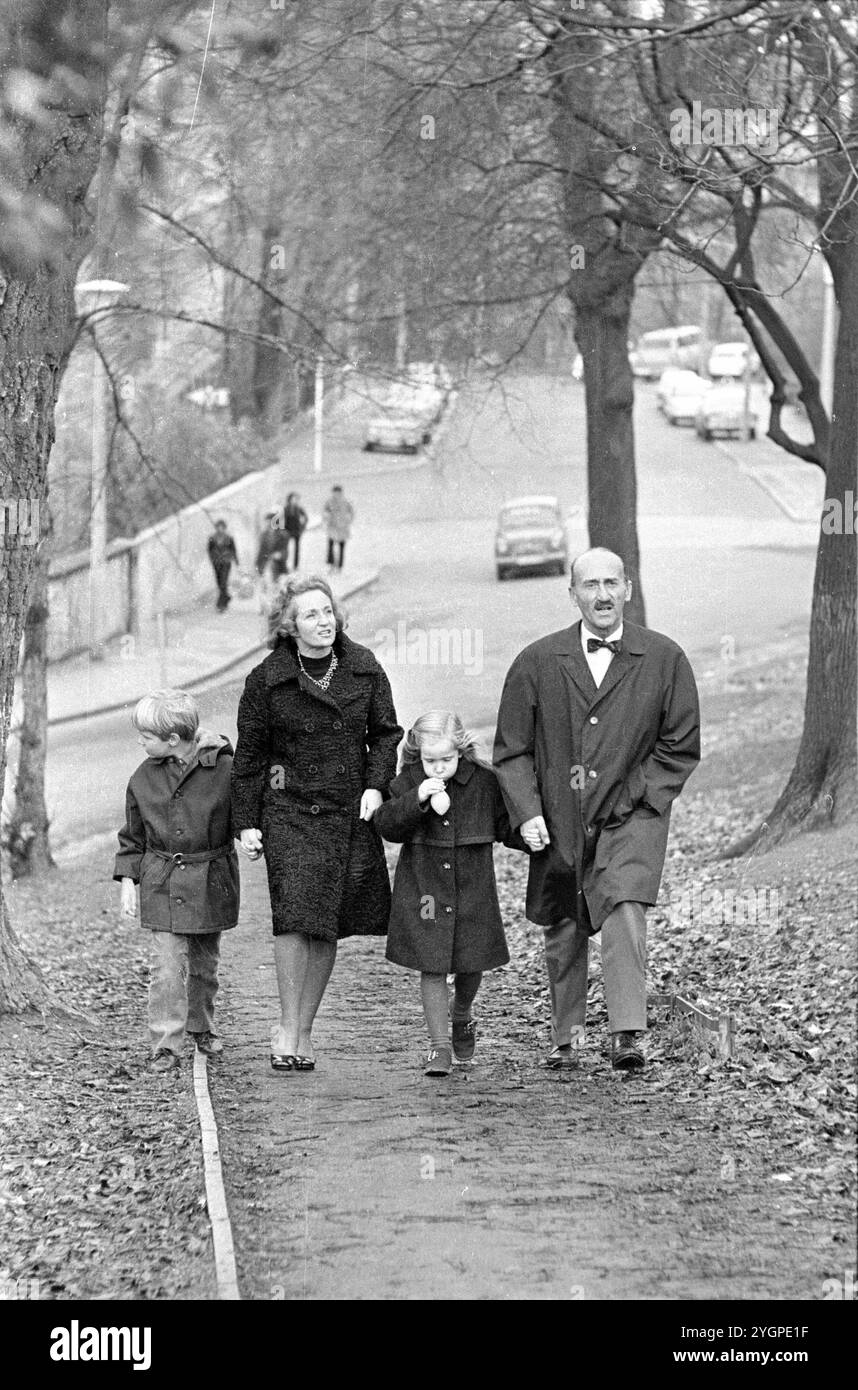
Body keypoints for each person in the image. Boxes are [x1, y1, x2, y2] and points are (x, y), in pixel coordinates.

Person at [493, 547, 700, 1072]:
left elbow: (681, 743)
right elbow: (511, 751)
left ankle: (627, 1034)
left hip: (634, 815)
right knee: (564, 920)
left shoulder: (663, 658)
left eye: (612, 583)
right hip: (559, 817)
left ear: (628, 588)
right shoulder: (537, 662)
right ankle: (568, 1037)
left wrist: (637, 795)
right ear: (573, 594)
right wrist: (527, 811)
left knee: (625, 909)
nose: (602, 595)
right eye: (591, 585)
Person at [231, 574, 402, 1072]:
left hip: (347, 810)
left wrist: (375, 785)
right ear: (289, 626)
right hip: (289, 810)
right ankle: (286, 1025)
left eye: (327, 612)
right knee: (294, 915)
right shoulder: (266, 680)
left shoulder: (363, 668)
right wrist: (246, 823)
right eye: (311, 615)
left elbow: (388, 734)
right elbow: (250, 758)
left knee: (328, 920)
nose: (323, 622)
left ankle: (304, 1029)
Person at [374, 711, 525, 1077]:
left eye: (447, 759)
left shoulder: (485, 782)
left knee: (472, 962)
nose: (438, 768)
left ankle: (462, 1014)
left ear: (461, 750)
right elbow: (387, 825)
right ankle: (439, 1047)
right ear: (417, 755)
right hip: (424, 886)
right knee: (432, 963)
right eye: (430, 761)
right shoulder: (407, 782)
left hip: (473, 884)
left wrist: (533, 836)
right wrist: (417, 799)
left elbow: (507, 826)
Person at [114, 690, 240, 1073]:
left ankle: (202, 1028)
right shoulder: (143, 777)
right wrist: (126, 881)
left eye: (146, 736)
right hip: (162, 881)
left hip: (211, 879)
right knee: (166, 968)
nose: (140, 742)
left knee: (205, 964)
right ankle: (166, 1044)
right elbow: (132, 837)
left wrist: (251, 835)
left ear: (172, 739)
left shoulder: (224, 769)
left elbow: (245, 813)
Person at [207, 519, 239, 612]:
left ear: (224, 528)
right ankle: (226, 597)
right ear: (216, 528)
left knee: (223, 582)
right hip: (216, 562)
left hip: (226, 562)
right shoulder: (212, 538)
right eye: (218, 527)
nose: (220, 529)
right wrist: (213, 559)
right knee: (219, 582)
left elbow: (233, 550)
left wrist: (236, 561)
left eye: (222, 527)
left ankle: (221, 605)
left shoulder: (229, 538)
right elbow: (209, 550)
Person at [323, 484, 353, 570]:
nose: (336, 495)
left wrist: (348, 521)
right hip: (332, 527)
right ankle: (331, 564)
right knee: (331, 546)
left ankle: (340, 565)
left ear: (341, 493)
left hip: (342, 528)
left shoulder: (346, 502)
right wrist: (326, 518)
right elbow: (325, 511)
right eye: (334, 493)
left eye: (338, 493)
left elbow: (351, 512)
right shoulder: (329, 502)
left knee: (341, 547)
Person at [283, 491, 308, 572]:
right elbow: (281, 519)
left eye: (295, 499)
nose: (294, 500)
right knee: (285, 548)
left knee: (297, 549)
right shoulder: (285, 508)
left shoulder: (299, 508)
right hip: (287, 531)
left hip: (297, 531)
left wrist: (302, 527)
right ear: (289, 499)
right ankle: (285, 564)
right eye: (293, 499)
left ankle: (296, 566)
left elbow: (306, 518)